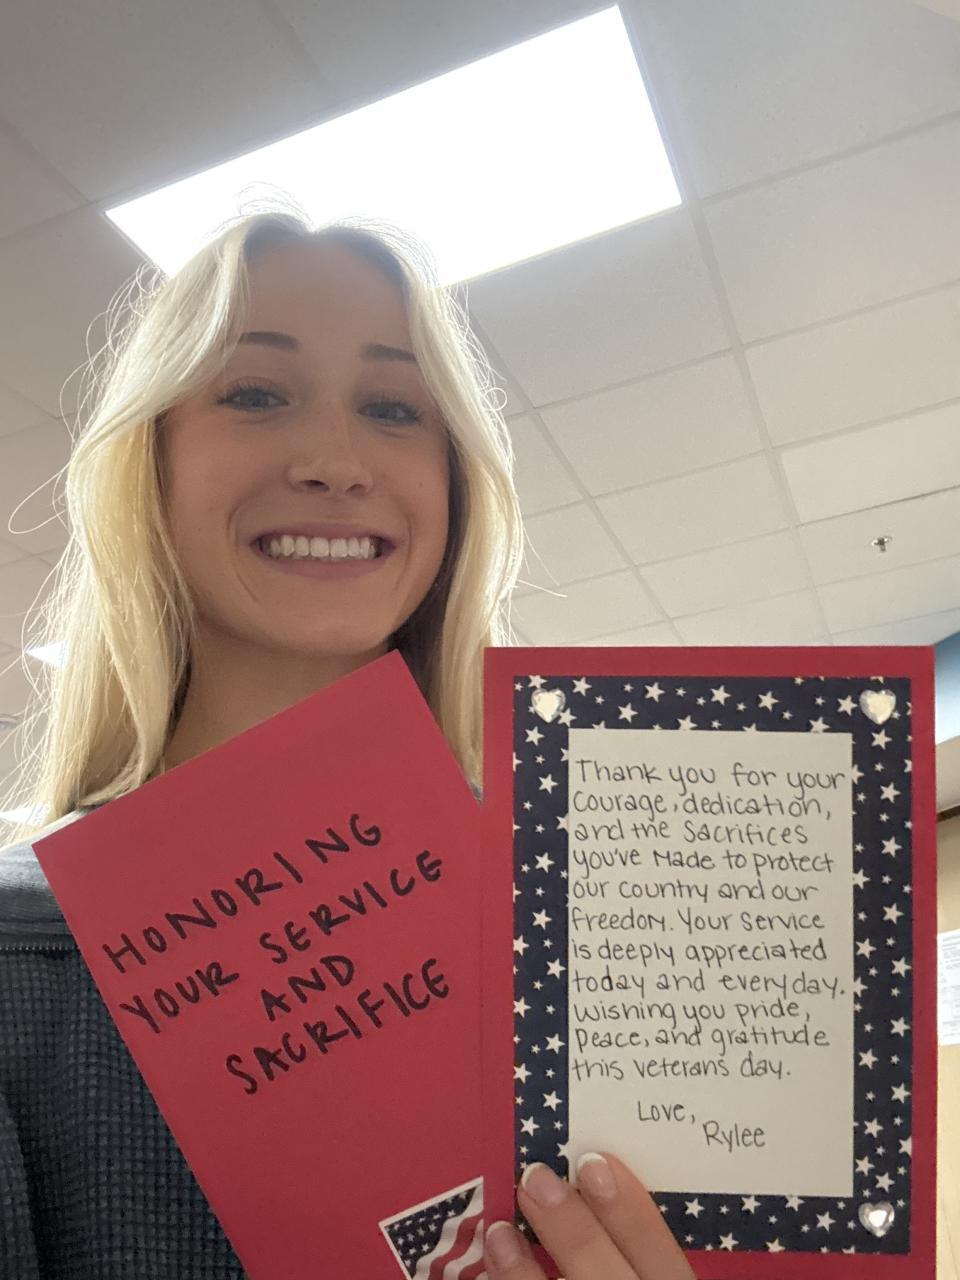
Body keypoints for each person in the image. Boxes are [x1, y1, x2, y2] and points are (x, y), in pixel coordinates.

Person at [0, 204, 696, 1280]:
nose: (336, 459)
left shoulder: (602, 907)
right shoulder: (21, 963)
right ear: (150, 462)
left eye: (394, 407)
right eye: (255, 393)